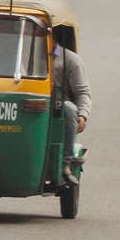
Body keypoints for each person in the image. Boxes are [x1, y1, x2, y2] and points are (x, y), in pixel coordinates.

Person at [52, 37, 92, 185]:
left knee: (68, 108)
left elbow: (82, 92)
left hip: (57, 107)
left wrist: (82, 115)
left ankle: (65, 165)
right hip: (32, 105)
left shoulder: (70, 60)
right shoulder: (23, 55)